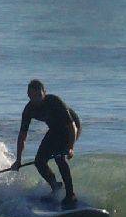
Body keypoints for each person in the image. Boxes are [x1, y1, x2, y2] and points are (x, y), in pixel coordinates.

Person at [14, 79, 82, 208]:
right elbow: (22, 136)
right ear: (28, 96)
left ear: (44, 93)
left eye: (39, 95)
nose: (36, 99)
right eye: (33, 96)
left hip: (71, 127)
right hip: (55, 130)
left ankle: (70, 195)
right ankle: (55, 186)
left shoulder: (54, 101)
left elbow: (72, 125)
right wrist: (18, 160)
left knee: (59, 157)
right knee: (39, 161)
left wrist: (71, 147)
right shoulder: (29, 110)